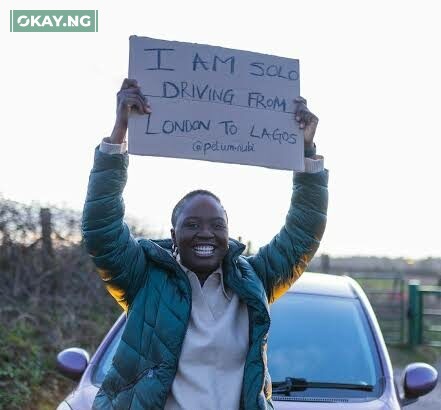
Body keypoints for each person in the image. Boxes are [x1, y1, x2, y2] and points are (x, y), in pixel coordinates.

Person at [82, 78, 328, 410]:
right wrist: (119, 132)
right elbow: (102, 229)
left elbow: (302, 234)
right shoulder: (144, 278)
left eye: (217, 225)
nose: (205, 233)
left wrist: (306, 152)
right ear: (173, 236)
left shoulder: (254, 281)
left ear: (229, 235)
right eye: (192, 225)